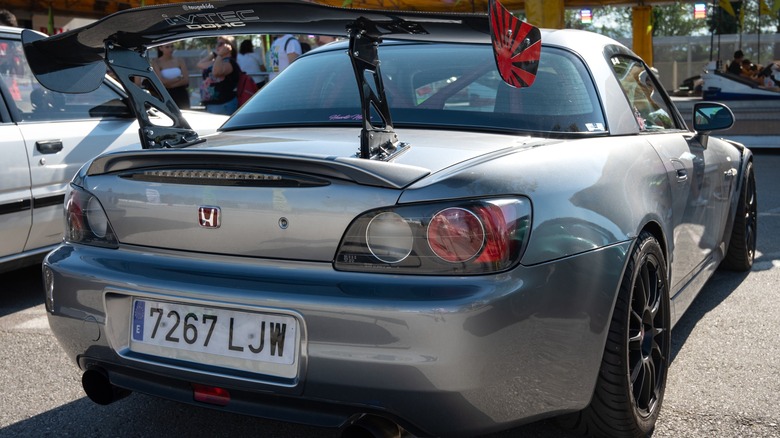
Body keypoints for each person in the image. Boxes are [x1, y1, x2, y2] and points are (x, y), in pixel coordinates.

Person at [197, 36, 240, 115]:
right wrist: (214, 54)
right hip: (211, 104)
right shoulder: (217, 61)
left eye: (220, 44)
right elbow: (200, 64)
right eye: (217, 44)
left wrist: (220, 55)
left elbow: (216, 72)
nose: (217, 46)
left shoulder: (229, 62)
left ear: (229, 46)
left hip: (224, 104)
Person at [152, 43, 190, 109]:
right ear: (160, 48)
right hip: (166, 93)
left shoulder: (180, 60)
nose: (170, 49)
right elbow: (161, 81)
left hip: (181, 93)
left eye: (172, 46)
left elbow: (186, 80)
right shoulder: (156, 62)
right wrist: (178, 78)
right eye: (167, 47)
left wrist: (171, 85)